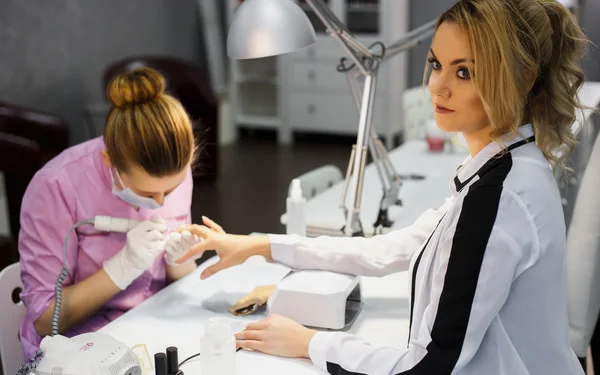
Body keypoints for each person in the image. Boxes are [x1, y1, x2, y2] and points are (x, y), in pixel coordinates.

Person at [175, 0, 591, 374]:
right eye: (436, 64)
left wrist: (311, 343)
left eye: (464, 72)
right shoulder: (505, 168)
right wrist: (260, 245)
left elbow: (428, 365)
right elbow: (391, 249)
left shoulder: (499, 196)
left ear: (521, 78)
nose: (438, 85)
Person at [18, 67, 202, 359]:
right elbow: (44, 320)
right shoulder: (55, 187)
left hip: (152, 325)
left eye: (170, 190)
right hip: (82, 348)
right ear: (109, 160)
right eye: (146, 193)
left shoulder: (173, 170)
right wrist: (123, 267)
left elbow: (172, 281)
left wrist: (180, 264)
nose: (159, 201)